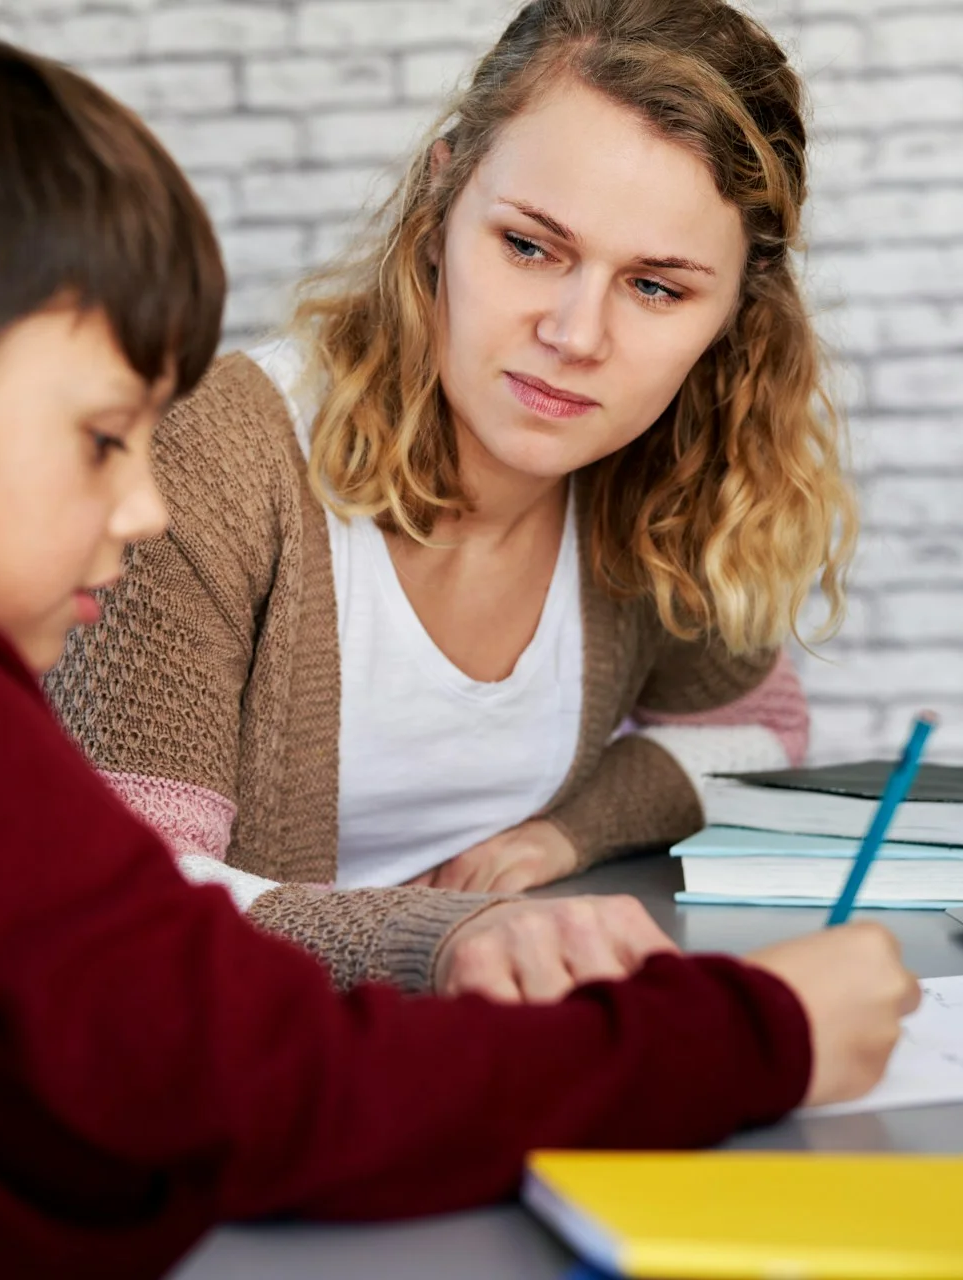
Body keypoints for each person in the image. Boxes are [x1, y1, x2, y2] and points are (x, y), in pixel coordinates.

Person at [0, 21, 917, 1278]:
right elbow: (280, 1097)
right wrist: (758, 1034)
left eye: (656, 285)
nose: (144, 500)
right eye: (104, 439)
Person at [46, 0, 856, 1003]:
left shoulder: (649, 477)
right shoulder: (213, 462)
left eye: (657, 287)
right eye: (528, 245)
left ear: (736, 310)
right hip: (227, 1072)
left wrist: (565, 833)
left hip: (473, 1059)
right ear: (442, 201)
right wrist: (447, 933)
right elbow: (128, 900)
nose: (575, 334)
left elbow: (760, 729)